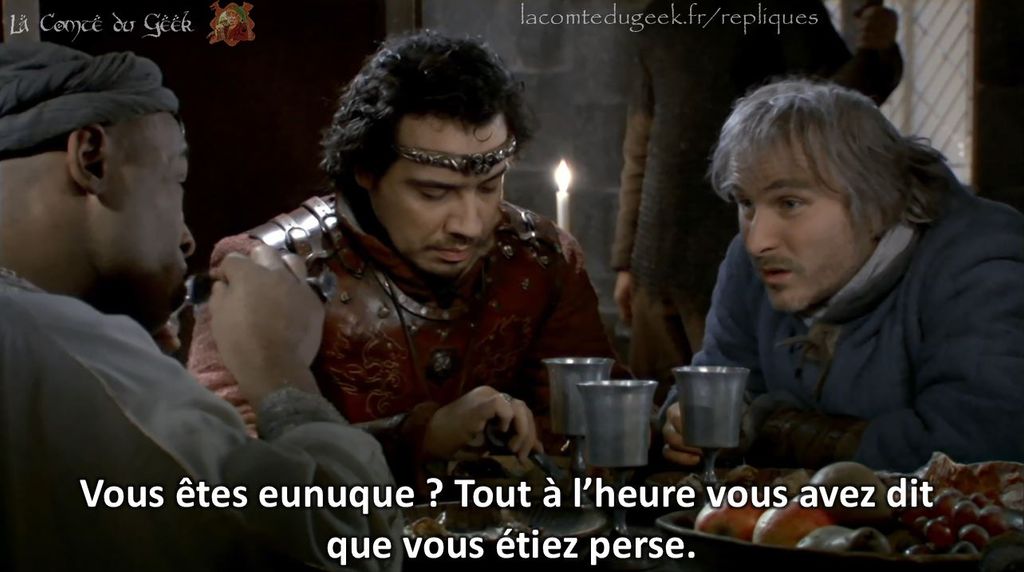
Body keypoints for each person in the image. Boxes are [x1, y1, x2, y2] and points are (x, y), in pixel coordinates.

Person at [0, 42, 401, 571]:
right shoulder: (60, 342)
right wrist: (280, 369)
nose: (187, 238)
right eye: (175, 180)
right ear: (92, 157)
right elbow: (345, 542)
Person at [187, 30, 629, 487]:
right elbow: (226, 468)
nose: (469, 224)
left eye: (488, 186)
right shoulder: (267, 273)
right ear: (366, 169)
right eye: (434, 193)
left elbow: (596, 430)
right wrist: (415, 439)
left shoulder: (539, 259)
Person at [659, 78, 1024, 473]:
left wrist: (773, 429)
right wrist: (684, 420)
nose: (757, 241)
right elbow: (716, 380)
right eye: (746, 203)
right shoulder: (750, 264)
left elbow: (976, 446)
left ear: (877, 202)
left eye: (790, 203)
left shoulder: (979, 261)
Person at [611, 0, 903, 402]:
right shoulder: (660, 17)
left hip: (740, 245)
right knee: (655, 413)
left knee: (729, 410)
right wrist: (627, 261)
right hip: (658, 255)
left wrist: (876, 54)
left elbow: (833, 113)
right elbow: (640, 145)